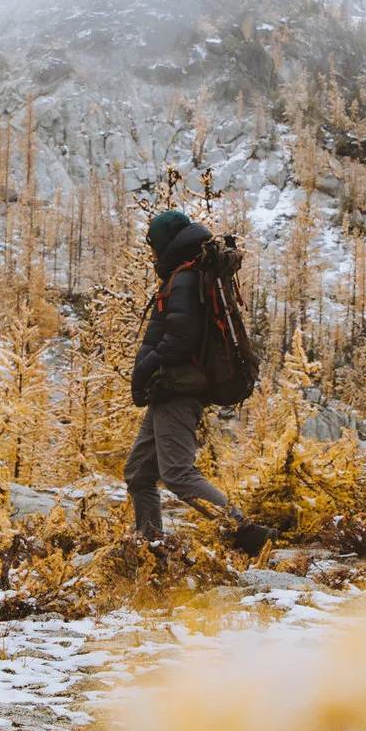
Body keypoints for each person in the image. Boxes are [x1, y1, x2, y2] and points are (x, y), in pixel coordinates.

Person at [126, 209, 268, 551]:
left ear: (165, 243)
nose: (151, 253)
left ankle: (248, 534)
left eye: (153, 245)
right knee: (139, 474)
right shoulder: (186, 275)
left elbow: (180, 339)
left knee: (177, 474)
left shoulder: (185, 279)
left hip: (177, 388)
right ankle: (151, 546)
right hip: (169, 389)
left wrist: (146, 366)